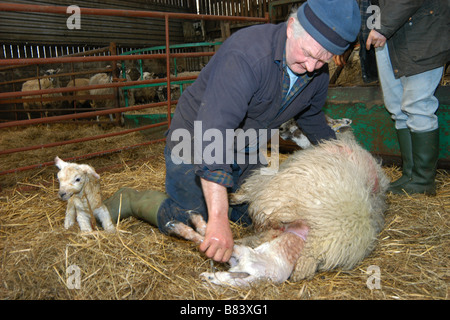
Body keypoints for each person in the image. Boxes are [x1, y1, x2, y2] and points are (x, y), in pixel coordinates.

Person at [105, 0, 361, 263]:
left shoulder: (316, 75)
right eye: (308, 53)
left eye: (323, 60)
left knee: (263, 218)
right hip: (195, 141)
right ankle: (133, 200)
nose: (311, 66)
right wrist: (217, 217)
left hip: (246, 147)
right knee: (198, 223)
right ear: (291, 27)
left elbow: (311, 115)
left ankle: (225, 199)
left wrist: (338, 151)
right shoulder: (247, 54)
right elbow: (213, 132)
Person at [366, 0, 449, 196]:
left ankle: (423, 180)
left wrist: (383, 25)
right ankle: (410, 174)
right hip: (388, 30)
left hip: (422, 28)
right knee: (397, 106)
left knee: (417, 104)